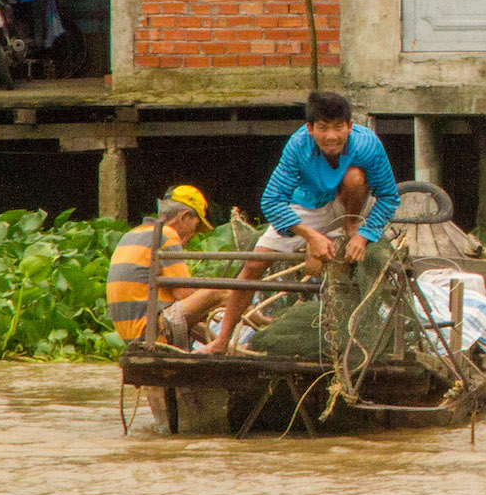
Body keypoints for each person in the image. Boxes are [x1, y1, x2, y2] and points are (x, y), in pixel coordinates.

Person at [198, 90, 401, 354]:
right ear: (310, 129)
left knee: (355, 177)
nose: (331, 136)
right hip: (309, 205)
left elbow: (388, 196)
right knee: (254, 263)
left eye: (338, 128)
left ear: (350, 127)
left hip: (351, 204)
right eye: (323, 128)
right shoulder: (298, 145)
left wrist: (363, 234)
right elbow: (271, 200)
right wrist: (310, 236)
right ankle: (222, 340)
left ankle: (349, 229)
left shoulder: (367, 144)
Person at [106, 186, 211, 346]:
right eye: (195, 227)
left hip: (133, 334)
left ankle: (221, 345)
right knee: (220, 292)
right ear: (183, 217)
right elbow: (186, 294)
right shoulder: (166, 234)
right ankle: (227, 342)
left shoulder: (132, 234)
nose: (194, 235)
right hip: (150, 333)